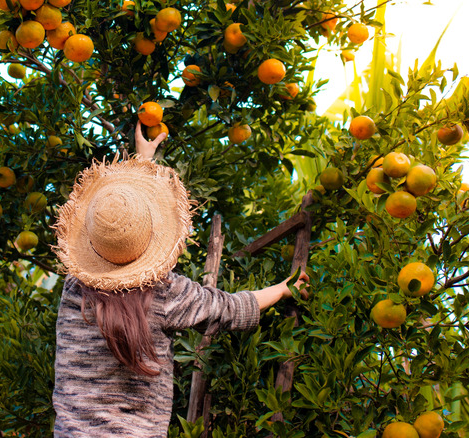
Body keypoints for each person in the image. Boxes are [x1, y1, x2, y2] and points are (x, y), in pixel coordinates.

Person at [51, 122, 308, 437]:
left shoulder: (74, 286)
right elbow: (228, 308)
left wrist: (141, 161)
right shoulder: (164, 293)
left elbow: (116, 228)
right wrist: (282, 289)